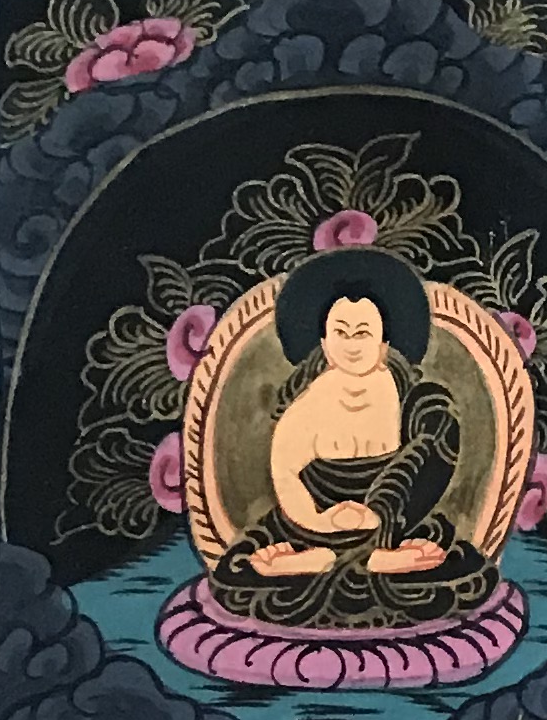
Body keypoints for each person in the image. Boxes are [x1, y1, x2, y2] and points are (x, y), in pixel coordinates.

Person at [207, 246, 502, 629]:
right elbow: (286, 476)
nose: (351, 344)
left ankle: (334, 563)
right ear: (324, 342)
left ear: (384, 343)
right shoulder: (306, 405)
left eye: (363, 333)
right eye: (340, 333)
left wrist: (377, 514)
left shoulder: (413, 400)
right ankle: (354, 561)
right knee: (237, 575)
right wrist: (320, 522)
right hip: (311, 527)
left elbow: (430, 461)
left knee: (465, 569)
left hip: (397, 525)